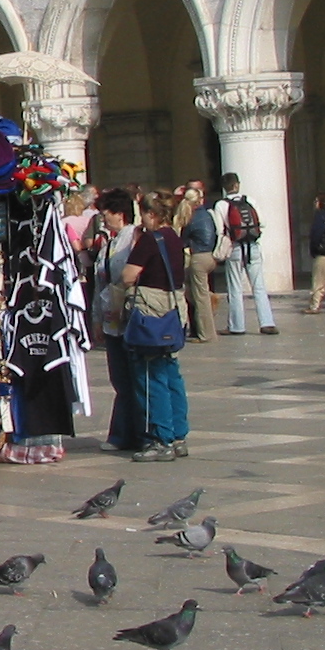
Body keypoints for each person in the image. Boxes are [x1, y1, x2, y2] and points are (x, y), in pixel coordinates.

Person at [120, 189, 191, 458]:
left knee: (149, 375)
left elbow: (128, 275)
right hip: (173, 307)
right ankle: (178, 434)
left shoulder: (151, 239)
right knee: (171, 371)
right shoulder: (174, 238)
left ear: (152, 214)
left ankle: (159, 438)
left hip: (151, 309)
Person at [88, 188, 145, 455]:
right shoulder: (109, 241)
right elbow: (101, 281)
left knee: (132, 377)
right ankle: (124, 431)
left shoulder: (131, 239)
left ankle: (131, 432)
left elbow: (126, 277)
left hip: (129, 315)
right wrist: (96, 319)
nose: (103, 219)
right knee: (120, 378)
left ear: (119, 214)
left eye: (106, 214)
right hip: (110, 315)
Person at [216, 172, 278, 336]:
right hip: (253, 247)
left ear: (224, 187)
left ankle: (237, 326)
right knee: (259, 286)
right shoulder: (250, 200)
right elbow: (262, 222)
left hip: (235, 248)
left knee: (235, 287)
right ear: (237, 184)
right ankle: (267, 323)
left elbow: (219, 230)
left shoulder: (221, 205)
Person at [176, 182, 218, 341]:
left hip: (198, 258)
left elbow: (183, 240)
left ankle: (206, 334)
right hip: (210, 256)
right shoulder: (207, 214)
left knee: (200, 298)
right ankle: (211, 300)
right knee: (199, 294)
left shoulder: (191, 216)